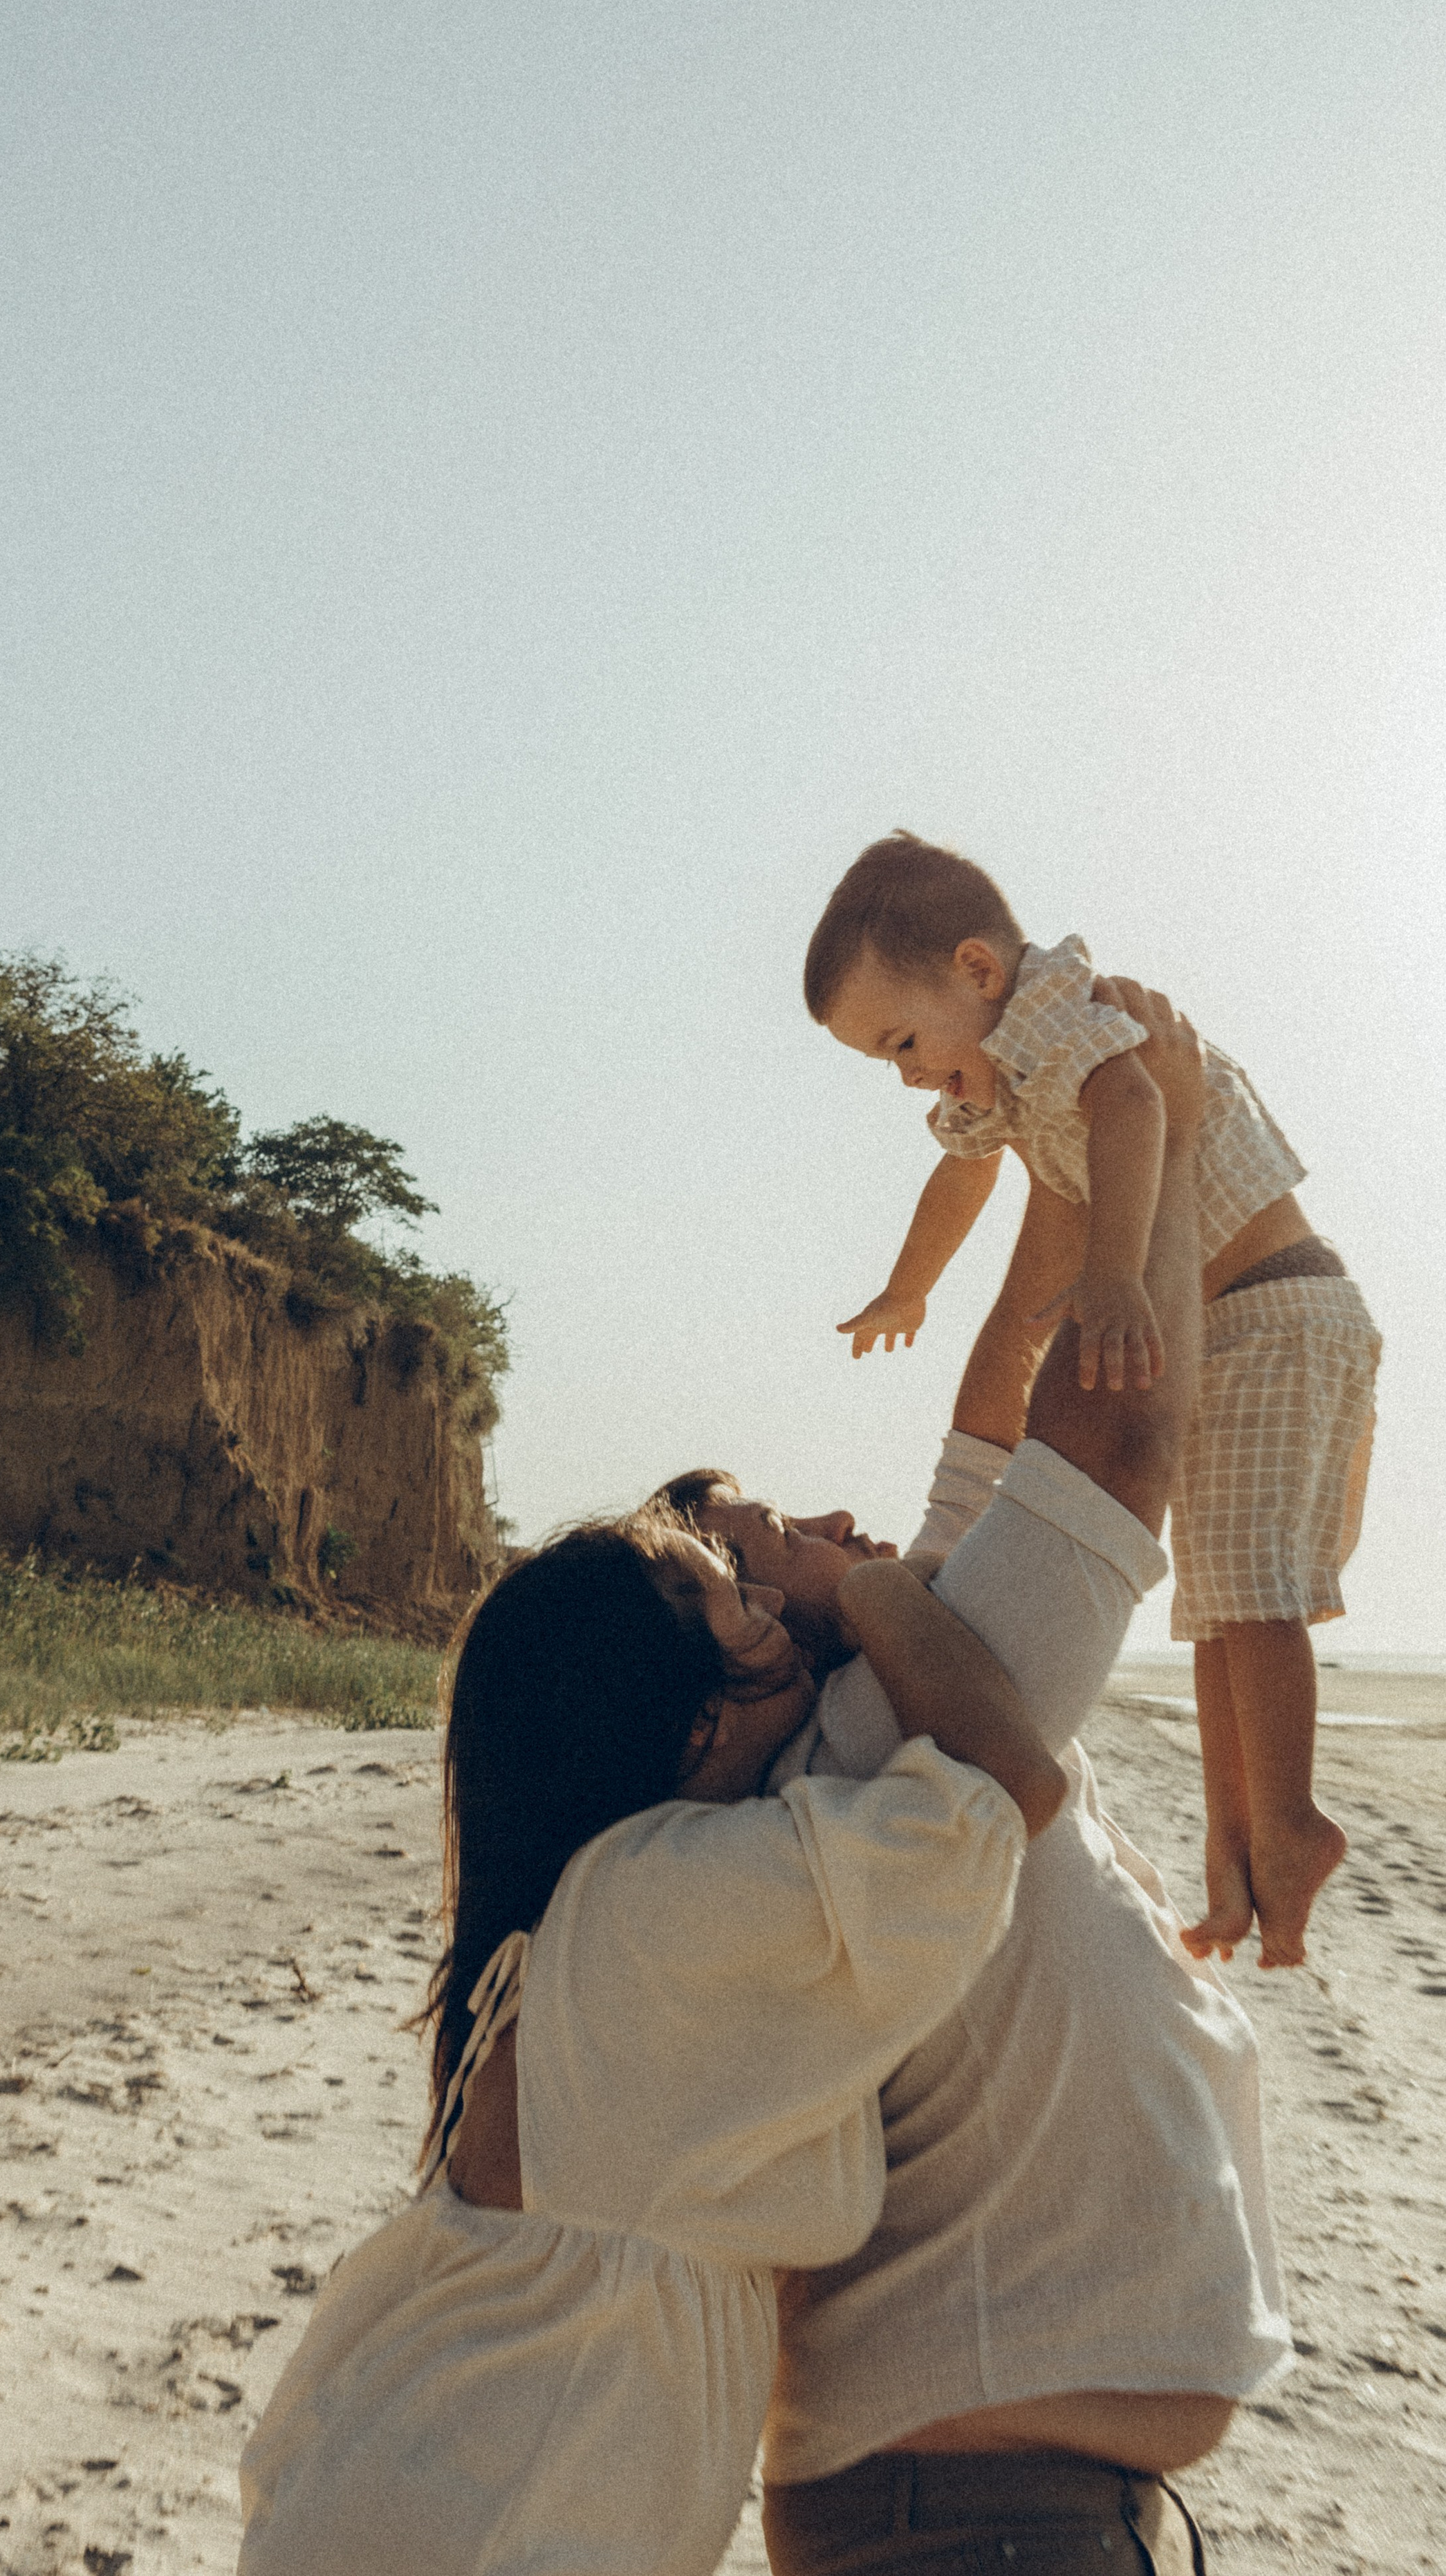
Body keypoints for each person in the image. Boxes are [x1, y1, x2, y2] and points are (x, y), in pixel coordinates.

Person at [661, 984, 1292, 2575]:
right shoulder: (875, 1731)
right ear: (728, 1650)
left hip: (981, 2504)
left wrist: (1057, 1149)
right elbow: (1118, 1432)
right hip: (973, 2522)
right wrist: (1162, 1110)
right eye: (758, 1543)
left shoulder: (893, 1682)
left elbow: (1004, 1384)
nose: (814, 1517)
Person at [235, 1506, 1066, 2576]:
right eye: (728, 1600)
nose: (769, 1602)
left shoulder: (598, 1907)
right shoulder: (660, 1912)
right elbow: (1006, 1785)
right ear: (691, 1723)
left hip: (411, 2510)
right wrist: (866, 1590)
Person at [801, 829, 1380, 1967]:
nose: (911, 1075)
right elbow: (964, 1173)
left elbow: (1134, 1107)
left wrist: (1113, 1271)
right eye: (887, 1063)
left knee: (1255, 1595)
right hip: (1224, 1325)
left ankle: (1292, 1817)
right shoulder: (1000, 1078)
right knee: (1216, 1606)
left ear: (977, 970)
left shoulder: (1057, 1005)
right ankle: (1238, 1857)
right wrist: (905, 1288)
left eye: (905, 1041)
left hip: (1278, 1307)